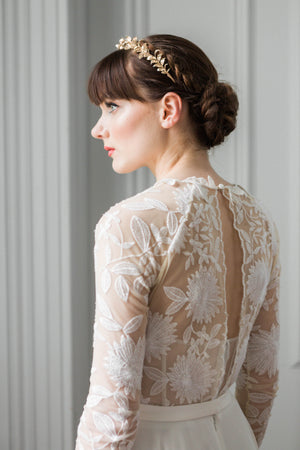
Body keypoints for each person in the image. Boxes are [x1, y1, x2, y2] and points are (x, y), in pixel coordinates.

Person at [75, 34, 280, 449]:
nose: (98, 128)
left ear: (168, 109)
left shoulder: (131, 224)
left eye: (112, 106)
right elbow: (263, 377)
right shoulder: (258, 219)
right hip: (233, 433)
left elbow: (112, 403)